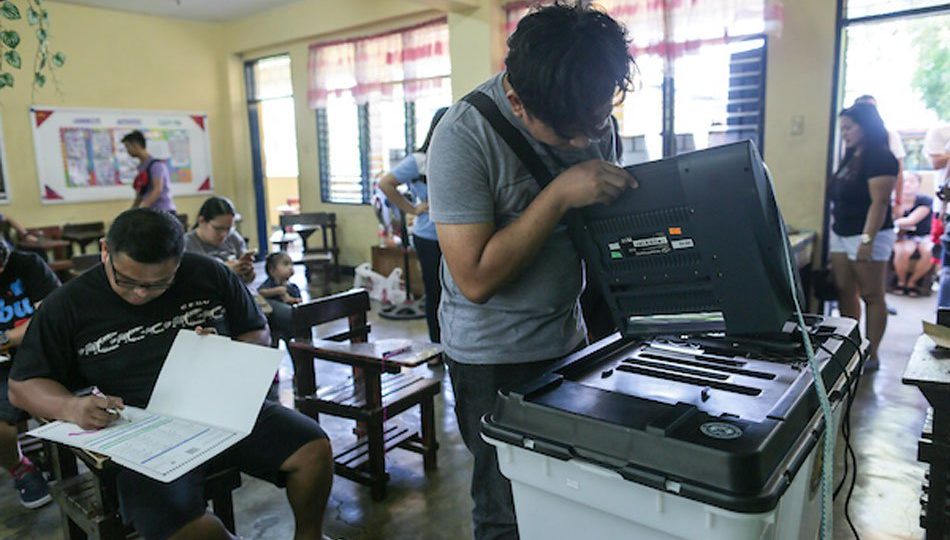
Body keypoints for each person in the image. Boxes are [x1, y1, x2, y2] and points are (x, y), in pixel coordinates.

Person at [427, 4, 636, 539]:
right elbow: (473, 278)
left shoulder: (589, 119)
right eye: (567, 134)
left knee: (570, 489)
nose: (585, 143)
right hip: (491, 356)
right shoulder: (462, 136)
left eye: (596, 123)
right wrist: (563, 192)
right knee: (505, 508)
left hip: (569, 337)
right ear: (517, 101)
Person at [8, 209, 333, 540]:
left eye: (159, 283)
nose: (141, 294)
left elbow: (256, 331)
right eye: (127, 281)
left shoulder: (209, 274)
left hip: (217, 406)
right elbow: (22, 385)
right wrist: (69, 407)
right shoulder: (68, 304)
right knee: (186, 528)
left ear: (180, 260)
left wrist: (224, 352)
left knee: (314, 450)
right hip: (138, 429)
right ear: (106, 250)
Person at [829, 103, 899, 371]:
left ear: (865, 126)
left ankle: (872, 353)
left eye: (849, 127)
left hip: (870, 233)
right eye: (842, 128)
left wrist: (867, 240)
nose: (844, 133)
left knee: (871, 294)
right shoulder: (851, 156)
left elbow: (879, 203)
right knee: (844, 289)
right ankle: (852, 344)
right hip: (842, 232)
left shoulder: (881, 157)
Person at [377, 107, 448, 343]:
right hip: (429, 236)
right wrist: (413, 208)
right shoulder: (420, 160)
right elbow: (386, 183)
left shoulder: (459, 154)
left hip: (457, 235)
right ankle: (437, 348)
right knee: (434, 292)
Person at [0, 242, 59, 509]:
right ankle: (20, 467)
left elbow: (49, 314)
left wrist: (6, 337)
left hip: (39, 354)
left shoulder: (28, 265)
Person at [854, 95, 906, 217]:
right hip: (854, 200)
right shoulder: (848, 135)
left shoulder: (889, 136)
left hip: (879, 197)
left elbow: (899, 170)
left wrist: (898, 202)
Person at [185, 197, 256, 284]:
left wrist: (247, 272)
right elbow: (189, 282)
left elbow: (246, 281)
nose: (224, 234)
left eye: (228, 229)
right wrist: (224, 271)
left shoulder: (234, 238)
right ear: (201, 221)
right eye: (218, 229)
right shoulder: (186, 245)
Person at [893, 171, 934, 296]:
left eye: (912, 181)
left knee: (929, 252)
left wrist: (896, 222)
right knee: (903, 251)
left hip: (924, 236)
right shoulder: (894, 200)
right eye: (905, 181)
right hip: (902, 237)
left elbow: (911, 220)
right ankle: (901, 282)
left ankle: (913, 282)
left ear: (918, 184)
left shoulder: (925, 201)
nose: (908, 184)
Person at [122, 130, 177, 212]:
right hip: (150, 211)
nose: (127, 151)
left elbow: (157, 190)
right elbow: (140, 194)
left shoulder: (156, 165)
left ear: (136, 145)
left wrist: (142, 207)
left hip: (164, 212)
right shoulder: (141, 167)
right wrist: (131, 212)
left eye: (127, 147)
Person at [258, 251, 301, 344]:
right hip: (273, 322)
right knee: (273, 342)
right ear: (272, 271)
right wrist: (276, 291)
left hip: (289, 323)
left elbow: (298, 302)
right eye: (286, 264)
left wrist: (292, 300)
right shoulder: (270, 284)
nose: (290, 267)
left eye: (291, 264)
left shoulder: (292, 287)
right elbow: (261, 293)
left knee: (292, 340)